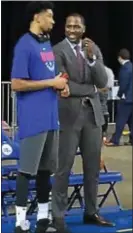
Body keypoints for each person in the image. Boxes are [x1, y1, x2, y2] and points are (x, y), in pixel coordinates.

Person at [52, 13, 114, 233]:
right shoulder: (57, 50)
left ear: (83, 28)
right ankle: (58, 216)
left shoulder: (92, 48)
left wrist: (92, 60)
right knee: (64, 168)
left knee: (92, 169)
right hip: (69, 116)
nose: (72, 29)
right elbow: (63, 81)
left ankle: (91, 212)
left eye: (76, 26)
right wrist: (89, 89)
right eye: (68, 26)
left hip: (93, 116)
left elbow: (103, 81)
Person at [11, 2, 68, 233]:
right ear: (37, 17)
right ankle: (21, 223)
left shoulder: (46, 45)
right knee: (27, 171)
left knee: (46, 171)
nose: (53, 22)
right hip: (33, 120)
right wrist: (50, 83)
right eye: (50, 17)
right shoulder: (24, 45)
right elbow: (16, 83)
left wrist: (60, 86)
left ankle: (43, 220)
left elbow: (48, 78)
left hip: (51, 117)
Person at [105, 49, 133, 146]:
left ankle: (115, 140)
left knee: (120, 119)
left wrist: (119, 94)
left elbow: (124, 84)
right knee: (131, 120)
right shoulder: (131, 66)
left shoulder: (125, 68)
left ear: (120, 58)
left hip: (126, 99)